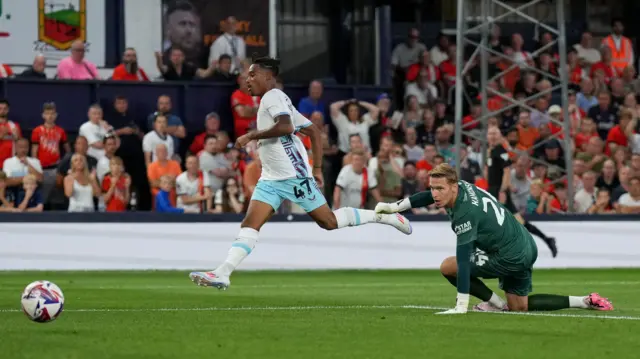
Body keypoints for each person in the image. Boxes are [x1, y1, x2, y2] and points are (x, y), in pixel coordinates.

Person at [189, 56, 412, 289]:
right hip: (271, 177)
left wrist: (251, 135)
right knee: (250, 223)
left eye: (253, 75)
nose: (248, 79)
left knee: (328, 221)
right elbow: (314, 131)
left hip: (292, 175)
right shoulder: (282, 99)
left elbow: (286, 127)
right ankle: (223, 273)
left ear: (268, 77)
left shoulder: (272, 97)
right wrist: (317, 169)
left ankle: (383, 216)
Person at [375, 163, 614, 314]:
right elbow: (428, 196)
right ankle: (584, 300)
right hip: (525, 243)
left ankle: (495, 305)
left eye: (440, 189)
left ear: (454, 187)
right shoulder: (464, 186)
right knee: (520, 306)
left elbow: (463, 258)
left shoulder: (465, 214)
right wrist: (395, 207)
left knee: (449, 267)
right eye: (433, 188)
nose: (435, 194)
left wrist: (461, 305)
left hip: (508, 254)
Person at [485, 126, 558, 257]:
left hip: (498, 191)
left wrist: (503, 190)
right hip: (493, 190)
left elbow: (507, 171)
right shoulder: (491, 150)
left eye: (495, 133)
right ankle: (546, 239)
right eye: (490, 133)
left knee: (492, 222)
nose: (492, 136)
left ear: (500, 135)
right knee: (518, 222)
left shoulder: (500, 151)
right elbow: (495, 172)